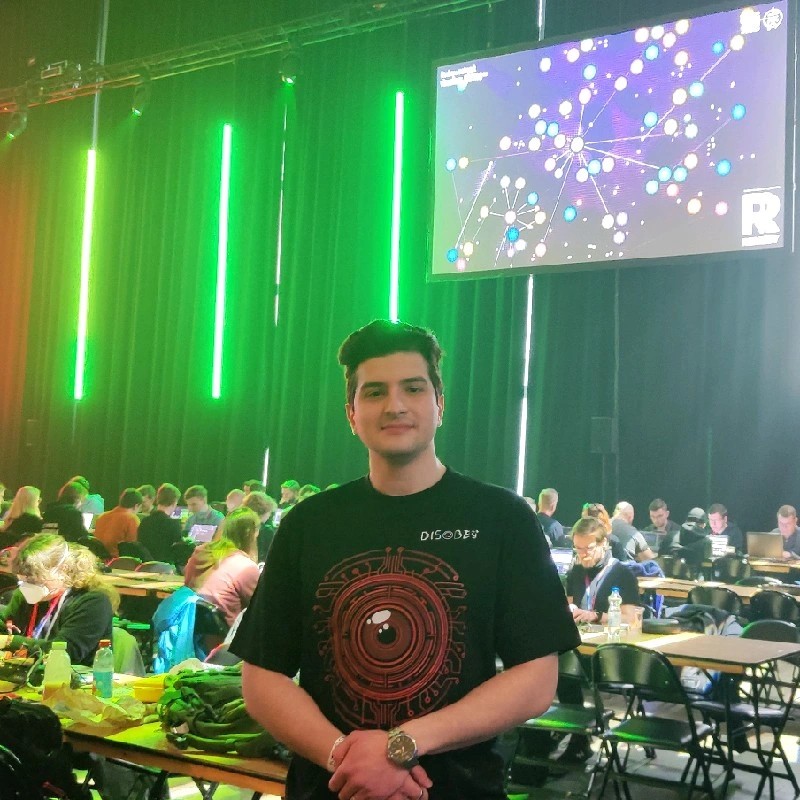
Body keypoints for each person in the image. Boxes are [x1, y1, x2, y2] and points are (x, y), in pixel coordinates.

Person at [232, 319, 579, 800]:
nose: (394, 405)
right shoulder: (308, 524)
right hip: (333, 787)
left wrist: (402, 746)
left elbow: (536, 678)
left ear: (440, 404)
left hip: (458, 789)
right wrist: (346, 759)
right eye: (374, 392)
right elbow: (262, 677)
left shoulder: (503, 519)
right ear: (351, 414)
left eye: (413, 388)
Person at [0, 534, 116, 666]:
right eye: (22, 581)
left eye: (33, 581)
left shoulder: (93, 602)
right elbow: (3, 623)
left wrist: (10, 641)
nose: (27, 587)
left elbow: (65, 652)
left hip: (71, 676)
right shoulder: (25, 595)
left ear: (62, 569)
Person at [183, 507, 262, 627]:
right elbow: (260, 605)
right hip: (228, 634)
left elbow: (187, 584)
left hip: (191, 628)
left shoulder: (200, 553)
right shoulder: (245, 566)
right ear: (250, 533)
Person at [566, 516, 639, 625]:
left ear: (604, 543)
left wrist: (597, 616)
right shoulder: (575, 571)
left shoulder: (622, 574)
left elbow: (629, 618)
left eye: (589, 548)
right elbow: (570, 603)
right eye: (578, 548)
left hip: (609, 633)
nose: (583, 554)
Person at [137, 483, 185, 564]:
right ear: (174, 503)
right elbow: (179, 551)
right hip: (165, 567)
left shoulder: (144, 521)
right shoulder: (174, 524)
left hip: (144, 566)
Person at [93, 488, 143, 558]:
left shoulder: (102, 516)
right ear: (136, 506)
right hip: (117, 561)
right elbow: (133, 547)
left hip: (98, 558)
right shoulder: (132, 519)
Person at [242, 490, 278, 562]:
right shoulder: (266, 531)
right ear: (263, 511)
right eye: (270, 512)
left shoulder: (238, 524)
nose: (269, 515)